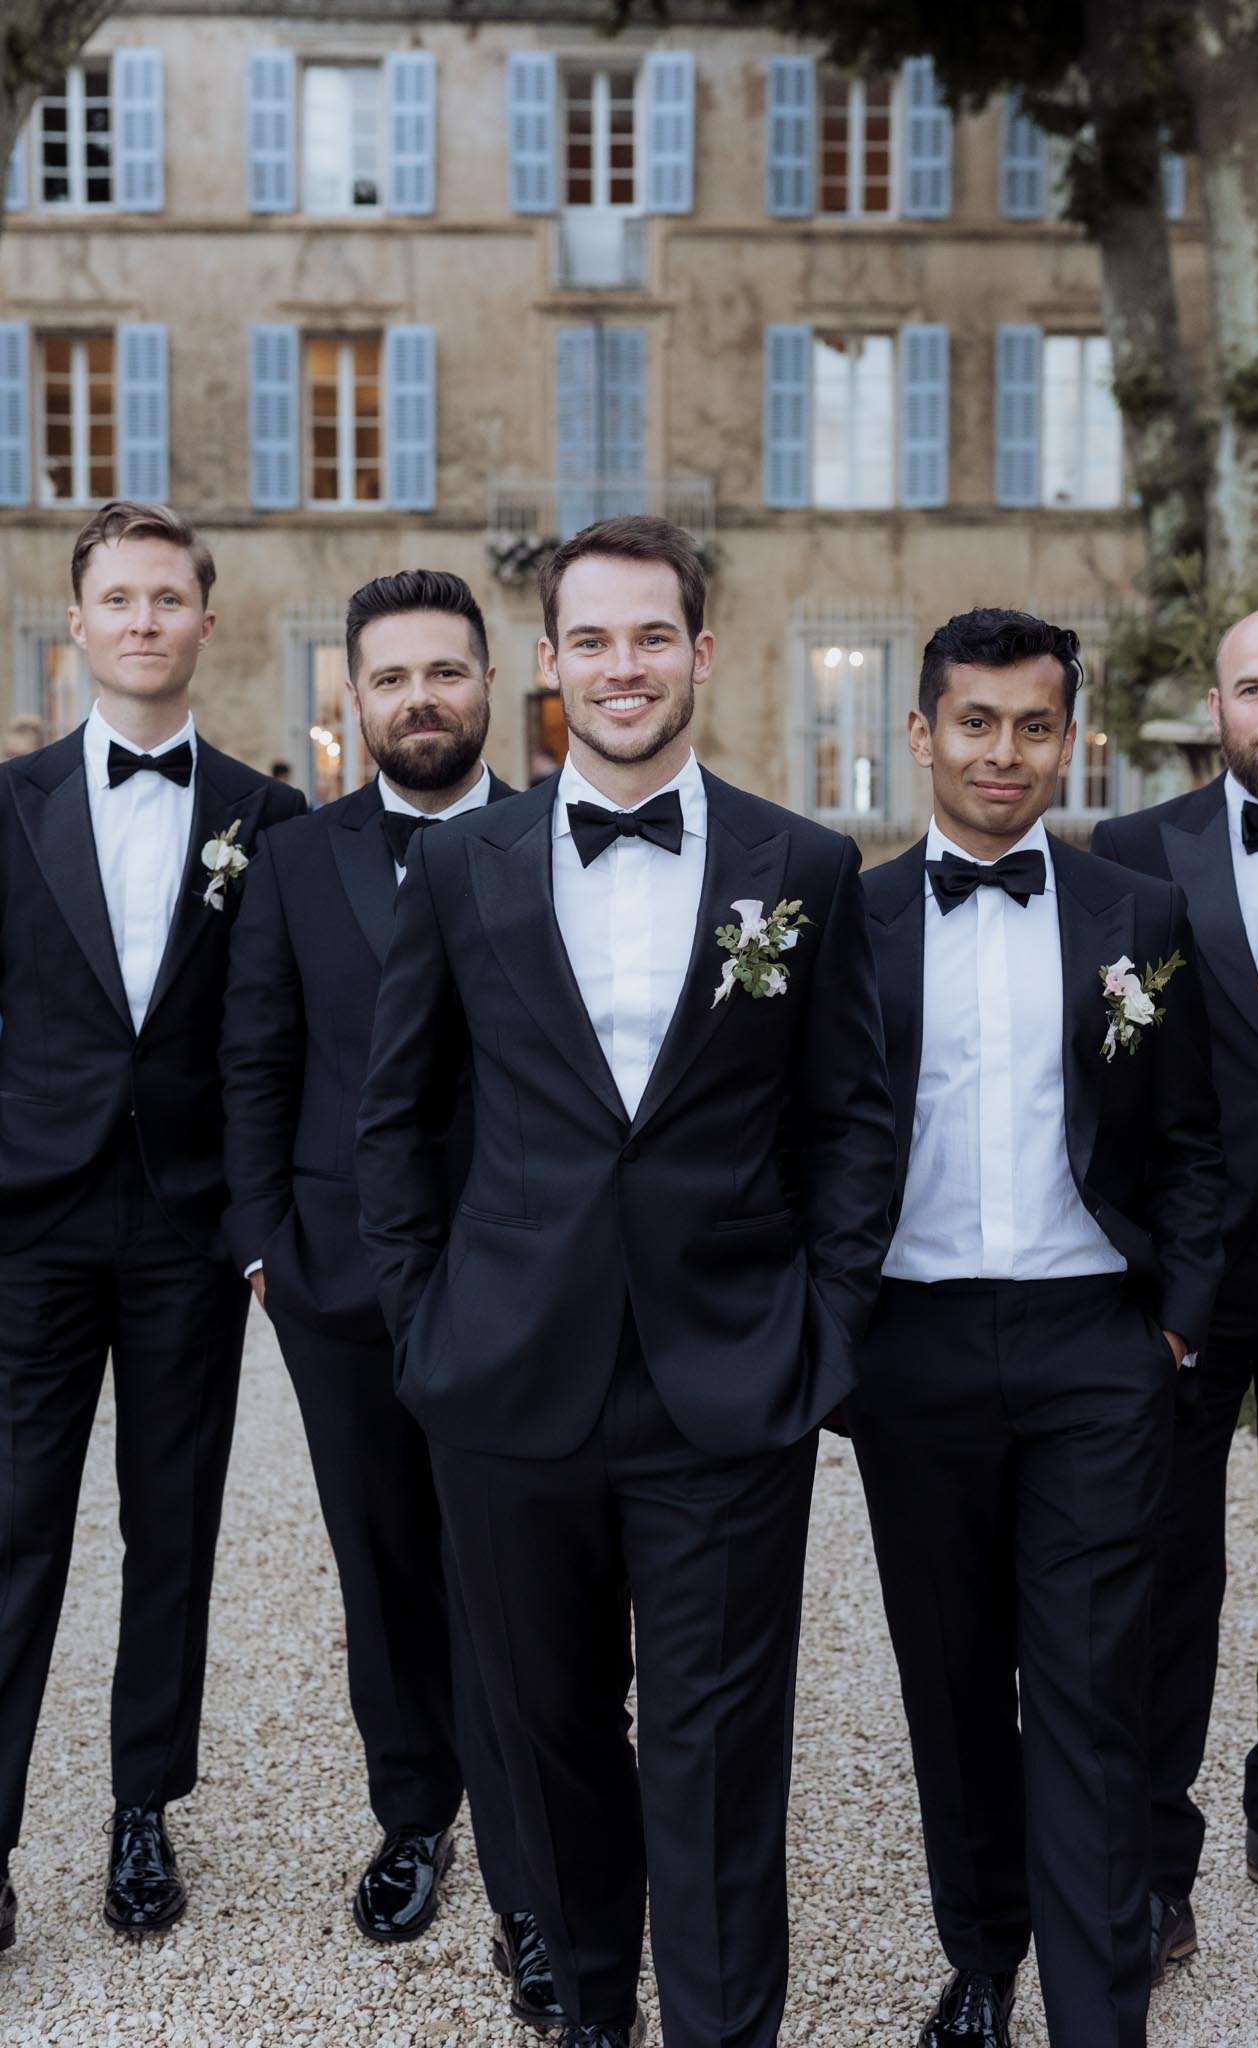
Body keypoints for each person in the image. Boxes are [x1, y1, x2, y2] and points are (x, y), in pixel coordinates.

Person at [355, 515, 897, 2048]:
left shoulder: (799, 863)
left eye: (651, 635)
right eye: (589, 639)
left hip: (729, 1381)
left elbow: (850, 1122)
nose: (622, 666)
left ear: (701, 652)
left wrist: (824, 1330)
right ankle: (590, 2013)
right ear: (545, 664)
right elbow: (394, 1117)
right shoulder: (463, 866)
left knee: (720, 1755)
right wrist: (425, 1325)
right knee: (549, 1738)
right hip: (507, 1382)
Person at [850, 608, 1224, 2048]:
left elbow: (1191, 1133)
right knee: (948, 1686)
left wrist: (1174, 1331)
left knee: (1085, 1693)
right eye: (974, 722)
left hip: (1093, 1350)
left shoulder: (1135, 912)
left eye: (1032, 726)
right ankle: (979, 1957)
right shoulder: (854, 919)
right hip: (915, 1351)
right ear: (921, 731)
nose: (1002, 753)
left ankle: (1096, 2016)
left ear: (1069, 740)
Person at [220, 570, 559, 2024]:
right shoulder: (297, 860)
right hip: (338, 1274)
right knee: (382, 1564)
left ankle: (545, 1880)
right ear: (351, 700)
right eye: (389, 678)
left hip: (521, 1273)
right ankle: (415, 1811)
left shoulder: (559, 838)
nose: (418, 698)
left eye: (444, 671)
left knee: (523, 1575)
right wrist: (260, 1249)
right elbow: (255, 1057)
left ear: (490, 686)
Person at [0, 500, 305, 1950]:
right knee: (12, 1527)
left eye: (165, 598)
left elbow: (285, 1036)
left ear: (201, 619)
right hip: (31, 1224)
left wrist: (265, 1225)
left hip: (191, 1227)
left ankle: (142, 1810)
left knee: (170, 1529)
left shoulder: (267, 815)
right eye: (115, 598)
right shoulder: (6, 808)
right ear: (79, 625)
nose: (140, 620)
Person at [1091, 602, 1258, 1977]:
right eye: (1250, 688)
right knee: (1165, 1565)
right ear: (1214, 707)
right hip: (1187, 1263)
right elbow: (1102, 1080)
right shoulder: (1136, 854)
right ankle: (1152, 1852)